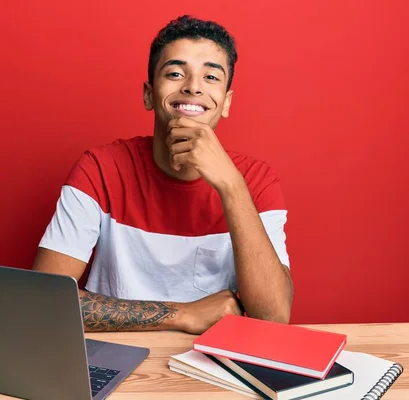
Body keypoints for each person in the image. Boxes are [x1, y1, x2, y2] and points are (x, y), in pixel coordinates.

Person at [33, 15, 293, 334]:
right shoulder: (99, 169)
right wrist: (182, 314)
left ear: (226, 102)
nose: (193, 87)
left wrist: (231, 186)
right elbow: (44, 300)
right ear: (148, 94)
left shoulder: (256, 180)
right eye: (174, 73)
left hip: (215, 362)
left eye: (211, 77)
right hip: (117, 352)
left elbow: (274, 317)